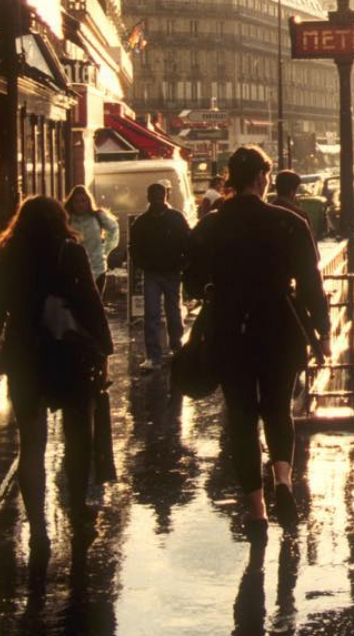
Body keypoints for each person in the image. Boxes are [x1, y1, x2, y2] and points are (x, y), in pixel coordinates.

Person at [190, 146, 329, 544]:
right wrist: (320, 330)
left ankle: (256, 509)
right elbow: (311, 283)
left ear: (232, 178)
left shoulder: (212, 225)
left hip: (230, 327)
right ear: (262, 178)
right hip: (280, 324)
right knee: (277, 407)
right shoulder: (288, 222)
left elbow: (193, 280)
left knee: (241, 418)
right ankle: (282, 477)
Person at [0, 196, 113, 556]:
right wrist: (103, 351)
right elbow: (89, 303)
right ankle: (79, 507)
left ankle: (38, 526)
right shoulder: (70, 252)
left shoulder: (8, 256)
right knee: (78, 434)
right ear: (59, 220)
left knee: (32, 444)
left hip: (25, 355)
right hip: (69, 353)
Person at [129, 181, 191, 373]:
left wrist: (181, 264)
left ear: (166, 196)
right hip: (156, 273)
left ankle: (173, 348)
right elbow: (135, 248)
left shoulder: (168, 219)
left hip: (168, 272)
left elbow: (187, 242)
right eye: (154, 195)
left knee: (168, 313)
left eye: (159, 195)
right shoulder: (146, 221)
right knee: (154, 314)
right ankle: (159, 354)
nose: (157, 199)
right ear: (149, 197)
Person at [64, 185, 119, 294]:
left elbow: (113, 229)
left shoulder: (97, 216)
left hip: (97, 268)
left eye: (83, 201)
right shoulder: (67, 220)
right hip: (75, 271)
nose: (80, 204)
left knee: (96, 303)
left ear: (88, 201)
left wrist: (105, 250)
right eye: (76, 201)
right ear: (72, 203)